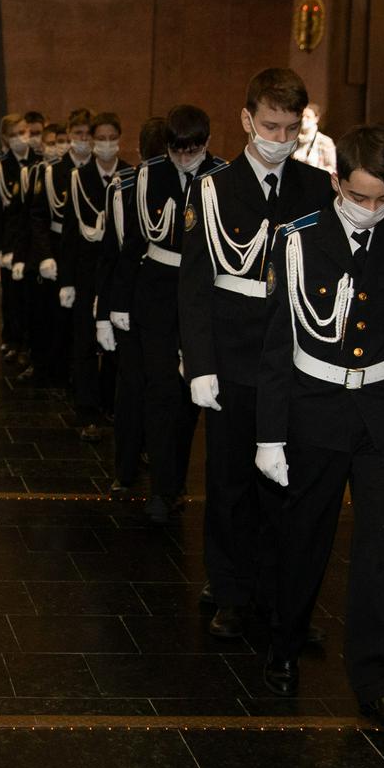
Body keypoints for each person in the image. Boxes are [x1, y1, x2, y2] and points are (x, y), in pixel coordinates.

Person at [256, 124, 384, 735]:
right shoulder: (298, 239)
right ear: (337, 182)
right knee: (305, 536)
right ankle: (284, 644)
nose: (371, 212)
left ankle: (376, 682)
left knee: (378, 548)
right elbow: (277, 342)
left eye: (383, 199)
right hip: (314, 407)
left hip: (380, 410)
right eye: (359, 197)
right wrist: (269, 433)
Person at [181, 68, 331, 641]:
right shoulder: (214, 187)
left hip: (295, 360)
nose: (281, 138)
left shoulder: (317, 189)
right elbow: (194, 285)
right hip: (233, 357)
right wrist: (200, 364)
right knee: (229, 483)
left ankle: (280, 598)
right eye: (271, 125)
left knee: (288, 488)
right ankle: (230, 589)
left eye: (291, 129)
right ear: (247, 120)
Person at [110, 106, 219, 513]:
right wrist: (118, 302)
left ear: (206, 145)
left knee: (192, 392)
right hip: (156, 289)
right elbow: (134, 242)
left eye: (193, 151)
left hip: (203, 293)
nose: (184, 159)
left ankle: (173, 479)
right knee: (159, 390)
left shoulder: (221, 175)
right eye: (177, 151)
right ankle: (162, 488)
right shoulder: (148, 175)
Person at [65, 112, 124, 440]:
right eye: (98, 138)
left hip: (116, 277)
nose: (104, 144)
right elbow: (72, 234)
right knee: (85, 343)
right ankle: (87, 410)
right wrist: (67, 281)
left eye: (110, 138)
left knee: (115, 345)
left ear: (119, 139)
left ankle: (110, 405)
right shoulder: (79, 177)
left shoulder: (130, 175)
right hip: (87, 274)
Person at [25, 108, 81, 390]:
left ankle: (69, 367)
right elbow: (37, 216)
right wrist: (43, 255)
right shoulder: (48, 173)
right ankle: (44, 364)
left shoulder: (87, 171)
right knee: (45, 313)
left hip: (80, 252)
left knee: (72, 318)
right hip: (53, 248)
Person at [0, 112, 36, 365]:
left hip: (32, 243)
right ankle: (11, 338)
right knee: (11, 295)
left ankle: (29, 341)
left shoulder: (40, 162)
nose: (20, 138)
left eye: (23, 132)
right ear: (4, 137)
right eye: (14, 134)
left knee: (31, 295)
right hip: (9, 242)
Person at [292, 102, 338, 173]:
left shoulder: (325, 141)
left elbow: (333, 169)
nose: (304, 119)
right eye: (302, 116)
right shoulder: (293, 139)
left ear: (316, 119)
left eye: (308, 117)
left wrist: (315, 168)